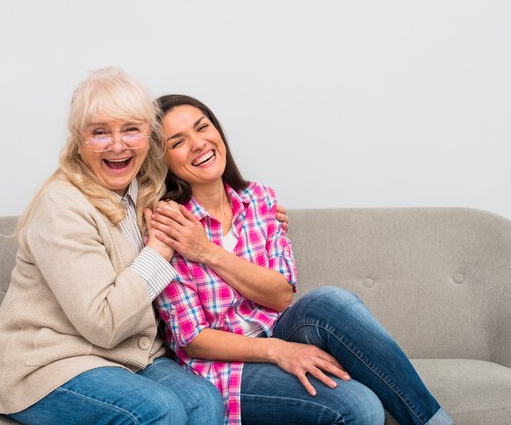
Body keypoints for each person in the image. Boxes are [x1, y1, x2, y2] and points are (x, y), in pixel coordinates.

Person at [150, 94, 454, 425]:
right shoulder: (169, 223)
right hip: (224, 365)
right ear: (162, 160)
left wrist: (207, 251)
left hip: (277, 329)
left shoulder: (259, 199)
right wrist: (278, 351)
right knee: (361, 405)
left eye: (202, 128)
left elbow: (280, 296)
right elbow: (194, 340)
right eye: (178, 141)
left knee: (331, 301)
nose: (198, 144)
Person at [0, 68, 224, 425]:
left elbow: (210, 212)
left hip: (128, 357)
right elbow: (103, 324)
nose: (117, 144)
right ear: (78, 141)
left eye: (130, 129)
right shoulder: (62, 205)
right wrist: (157, 250)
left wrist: (267, 216)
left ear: (148, 137)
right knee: (158, 409)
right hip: (50, 365)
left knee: (204, 401)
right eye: (99, 133)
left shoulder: (144, 192)